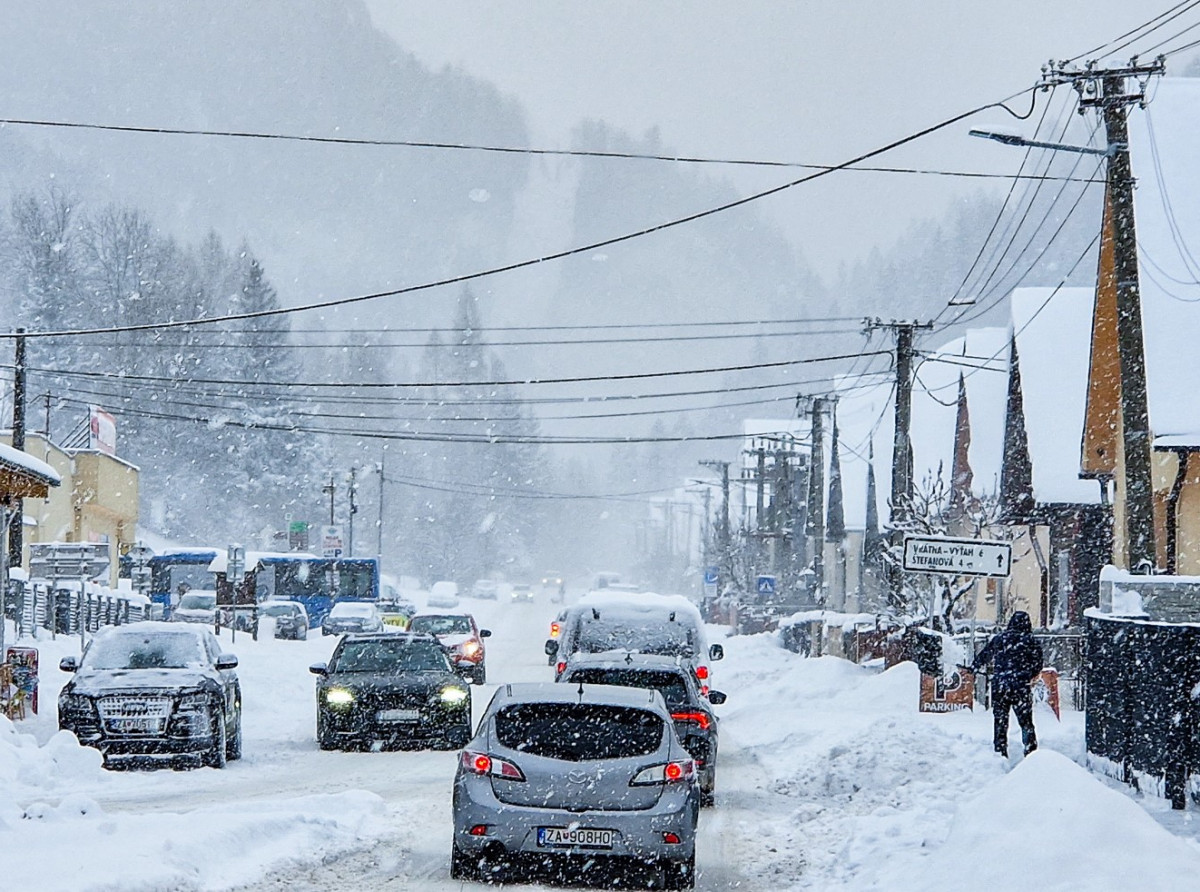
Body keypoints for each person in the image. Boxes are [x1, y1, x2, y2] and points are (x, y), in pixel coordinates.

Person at [971, 611, 1044, 758]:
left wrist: (975, 667)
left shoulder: (1000, 639)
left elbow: (985, 655)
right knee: (1026, 721)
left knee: (1000, 720)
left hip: (1001, 685)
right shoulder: (1030, 641)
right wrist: (1027, 674)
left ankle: (1000, 751)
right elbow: (1038, 664)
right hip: (1020, 686)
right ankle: (1030, 752)